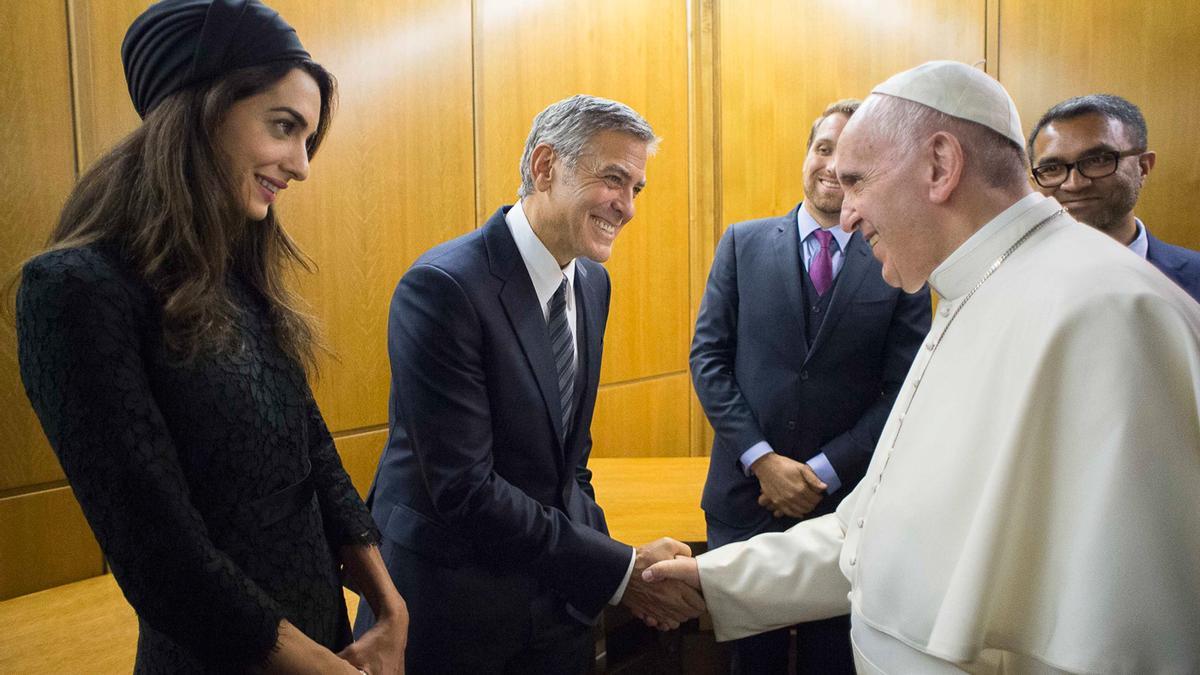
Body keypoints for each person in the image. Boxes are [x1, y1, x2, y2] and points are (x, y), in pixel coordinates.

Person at [645, 61, 1200, 673]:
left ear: (939, 166)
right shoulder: (972, 290)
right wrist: (712, 580)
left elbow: (1138, 635)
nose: (846, 214)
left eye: (857, 181)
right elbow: (876, 532)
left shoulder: (1113, 315)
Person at [14, 1, 407, 672]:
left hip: (327, 637)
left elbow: (310, 452)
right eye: (284, 128)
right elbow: (157, 549)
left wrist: (390, 609)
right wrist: (310, 662)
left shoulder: (237, 269)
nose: (302, 164)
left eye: (308, 138)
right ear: (202, 111)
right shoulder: (74, 289)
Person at [354, 95, 704, 674]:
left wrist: (612, 571)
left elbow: (571, 464)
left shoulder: (592, 283)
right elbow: (467, 490)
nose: (628, 207)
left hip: (553, 603)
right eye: (613, 179)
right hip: (454, 609)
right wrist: (619, 571)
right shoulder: (444, 288)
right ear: (545, 167)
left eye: (637, 188)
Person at [690, 98, 929, 674]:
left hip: (846, 504)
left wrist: (822, 470)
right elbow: (709, 358)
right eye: (823, 148)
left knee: (835, 660)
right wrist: (762, 460)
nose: (832, 166)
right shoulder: (741, 244)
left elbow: (905, 388)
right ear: (807, 154)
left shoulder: (902, 257)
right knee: (752, 662)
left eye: (850, 156)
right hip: (745, 499)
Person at [1027, 94, 1200, 301]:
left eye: (1098, 160)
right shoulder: (1010, 279)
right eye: (1052, 168)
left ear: (1143, 167)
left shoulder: (1194, 276)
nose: (1074, 184)